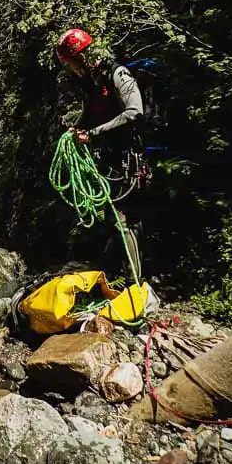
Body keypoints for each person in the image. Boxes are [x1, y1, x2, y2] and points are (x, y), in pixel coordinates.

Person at [56, 27, 145, 279]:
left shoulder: (117, 74)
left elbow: (134, 111)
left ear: (81, 57)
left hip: (127, 158)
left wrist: (93, 133)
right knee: (114, 219)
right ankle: (120, 274)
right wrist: (79, 128)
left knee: (122, 221)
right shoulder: (90, 82)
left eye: (71, 63)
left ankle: (132, 283)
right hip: (109, 160)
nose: (71, 69)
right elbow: (91, 112)